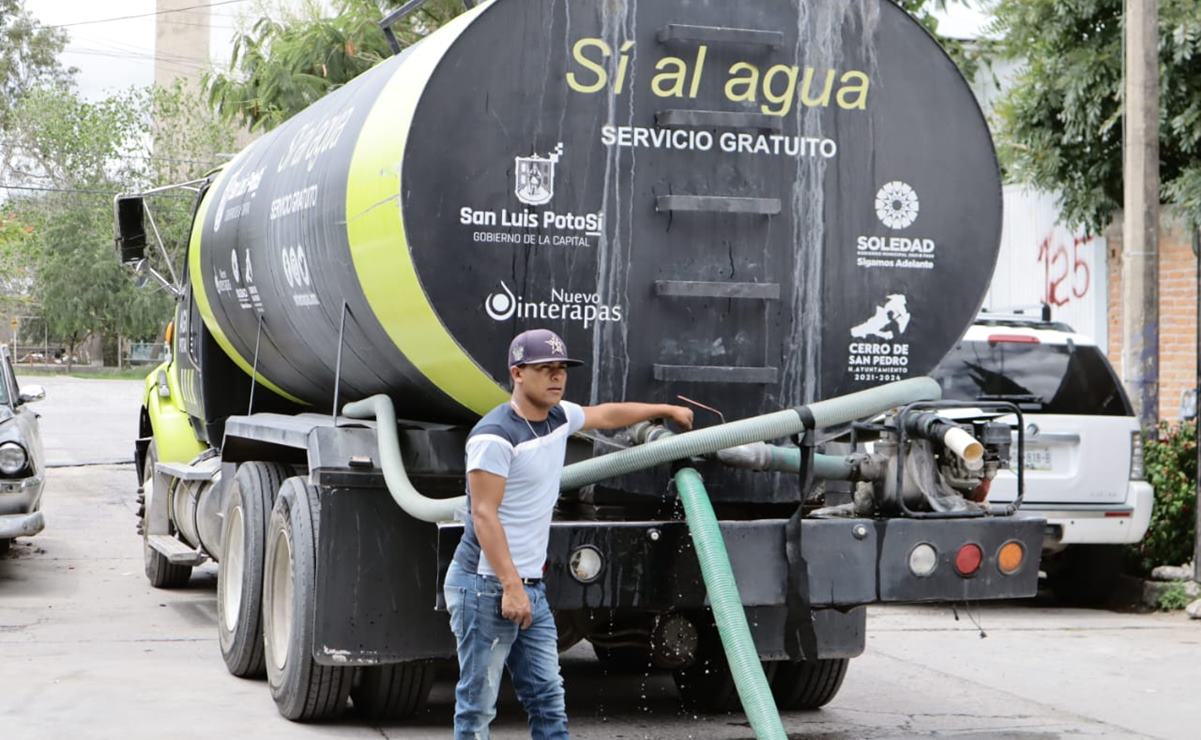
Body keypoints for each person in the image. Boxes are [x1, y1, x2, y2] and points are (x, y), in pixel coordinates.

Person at [443, 328, 694, 739]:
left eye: (560, 369)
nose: (556, 377)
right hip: (485, 587)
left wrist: (663, 409)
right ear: (518, 373)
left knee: (548, 699)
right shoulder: (495, 436)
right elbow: (484, 515)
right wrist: (511, 587)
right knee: (477, 708)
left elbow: (606, 415)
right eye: (545, 369)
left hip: (530, 588)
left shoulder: (558, 417)